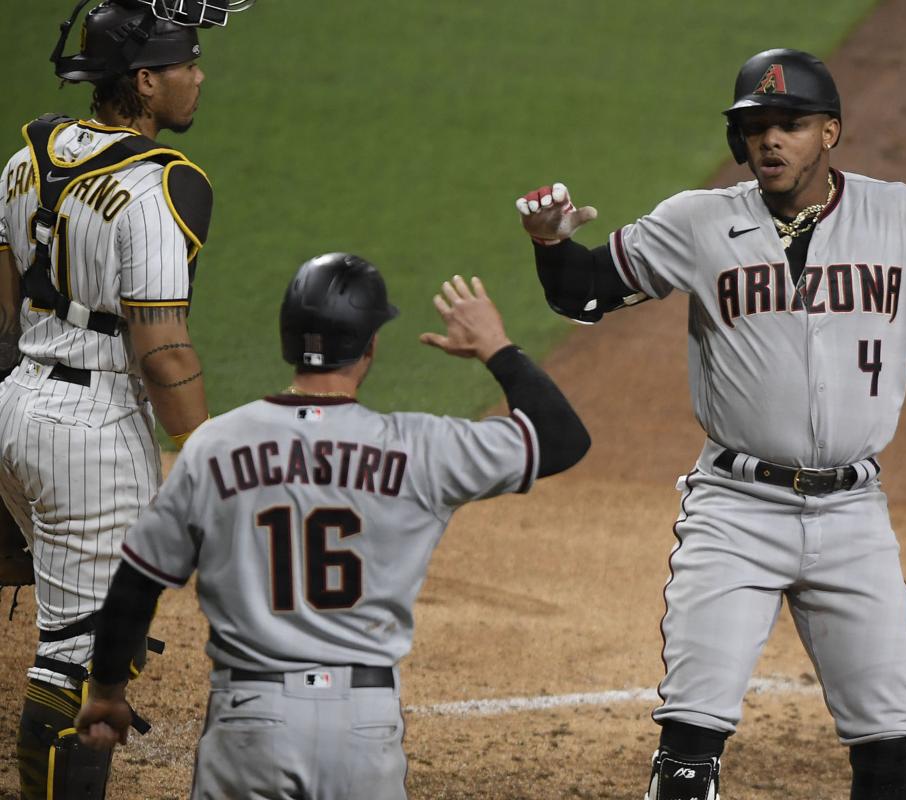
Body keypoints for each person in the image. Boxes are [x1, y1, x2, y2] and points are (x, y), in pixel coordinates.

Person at [513, 49, 906, 800]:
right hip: (735, 511)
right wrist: (551, 244)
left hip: (855, 515)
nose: (770, 140)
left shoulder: (902, 216)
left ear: (831, 132)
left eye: (789, 123)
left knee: (887, 746)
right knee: (690, 744)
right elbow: (585, 297)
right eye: (755, 126)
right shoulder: (699, 221)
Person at [72, 253, 590, 798]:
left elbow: (137, 579)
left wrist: (106, 690)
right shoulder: (421, 449)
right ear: (370, 346)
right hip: (362, 728)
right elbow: (560, 438)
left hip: (250, 722)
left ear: (286, 338)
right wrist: (496, 347)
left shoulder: (215, 446)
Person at [0, 1, 250, 796]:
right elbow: (162, 346)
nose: (198, 77)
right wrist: (206, 454)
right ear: (145, 83)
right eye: (185, 65)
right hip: (90, 432)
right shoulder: (156, 188)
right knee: (80, 657)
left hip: (14, 407)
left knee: (92, 631)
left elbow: (1, 308)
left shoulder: (22, 159)